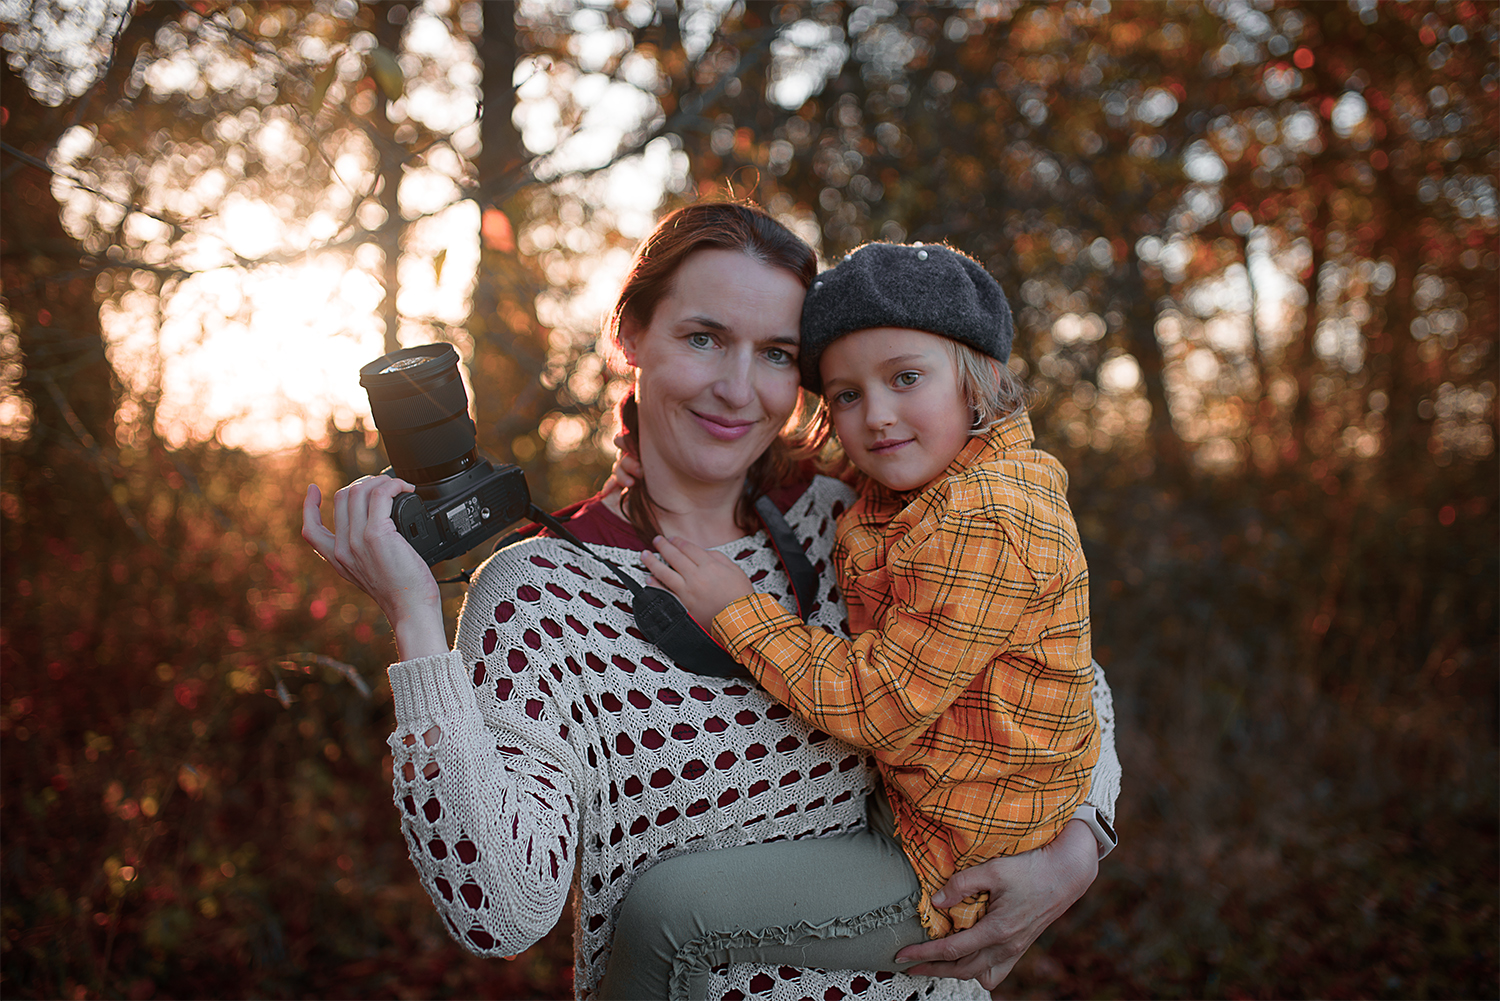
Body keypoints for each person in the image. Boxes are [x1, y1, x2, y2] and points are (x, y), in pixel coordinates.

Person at [301, 202, 1121, 1001]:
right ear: (631, 336)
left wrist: (1075, 849)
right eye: (704, 338)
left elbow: (1064, 676)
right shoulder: (545, 592)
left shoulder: (860, 516)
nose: (738, 388)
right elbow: (502, 911)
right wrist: (415, 622)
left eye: (776, 355)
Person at [613, 242, 1099, 999]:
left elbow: (882, 704)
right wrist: (648, 447)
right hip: (937, 814)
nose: (876, 417)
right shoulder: (920, 483)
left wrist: (740, 610)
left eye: (906, 378)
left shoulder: (990, 518)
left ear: (979, 382)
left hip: (945, 860)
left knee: (662, 916)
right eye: (844, 394)